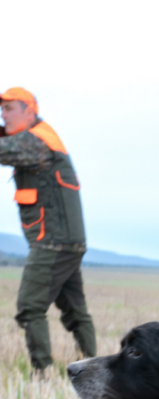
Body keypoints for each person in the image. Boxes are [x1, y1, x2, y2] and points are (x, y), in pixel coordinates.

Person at [0, 87, 96, 372]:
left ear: (30, 111)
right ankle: (93, 368)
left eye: (9, 109)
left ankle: (42, 373)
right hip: (69, 242)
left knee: (30, 308)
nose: (4, 115)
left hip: (53, 243)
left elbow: (6, 149)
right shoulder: (42, 137)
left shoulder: (35, 141)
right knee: (75, 311)